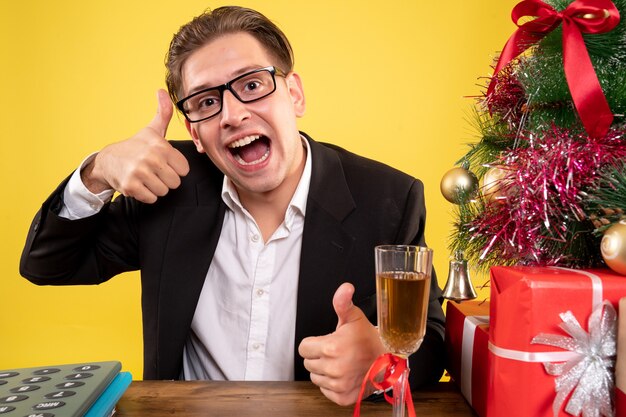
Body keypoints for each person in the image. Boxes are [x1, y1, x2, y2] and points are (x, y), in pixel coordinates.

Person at [19, 5, 445, 406]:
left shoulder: (387, 198)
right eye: (206, 101)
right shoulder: (169, 188)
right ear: (196, 134)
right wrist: (98, 169)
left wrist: (386, 359)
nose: (232, 114)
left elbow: (433, 342)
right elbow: (47, 264)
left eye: (252, 85)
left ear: (294, 94)